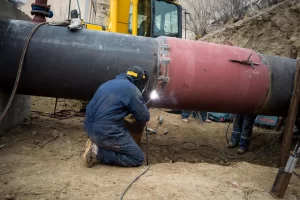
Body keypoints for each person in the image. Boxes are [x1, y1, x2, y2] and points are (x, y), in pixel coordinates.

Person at [82, 66, 150, 168]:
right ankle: (97, 152)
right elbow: (144, 117)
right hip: (105, 131)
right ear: (139, 81)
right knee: (137, 158)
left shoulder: (108, 83)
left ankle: (97, 142)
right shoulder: (132, 90)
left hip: (88, 127)